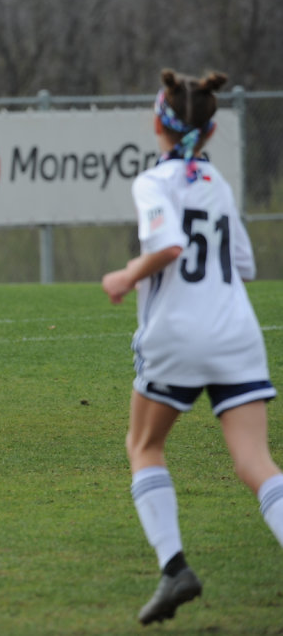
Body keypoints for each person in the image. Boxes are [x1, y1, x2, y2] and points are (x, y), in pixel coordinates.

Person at [102, 68, 283, 625]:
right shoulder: (219, 184)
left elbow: (171, 245)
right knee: (256, 464)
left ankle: (175, 567)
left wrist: (128, 274)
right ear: (207, 133)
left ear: (158, 122)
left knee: (144, 447)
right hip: (236, 331)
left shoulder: (153, 182)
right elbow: (245, 266)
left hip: (178, 335)